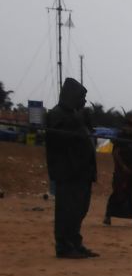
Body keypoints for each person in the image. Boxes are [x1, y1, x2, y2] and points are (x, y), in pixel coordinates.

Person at [45, 77, 98, 258]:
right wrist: (77, 121)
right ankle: (64, 246)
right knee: (67, 210)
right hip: (68, 172)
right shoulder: (57, 114)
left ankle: (75, 242)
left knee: (80, 209)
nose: (83, 101)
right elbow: (59, 140)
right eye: (81, 97)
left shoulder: (77, 115)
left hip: (83, 172)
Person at [102, 116, 132, 227]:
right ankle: (108, 216)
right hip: (122, 170)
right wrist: (123, 166)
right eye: (128, 126)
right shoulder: (120, 137)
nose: (129, 128)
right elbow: (116, 153)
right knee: (118, 192)